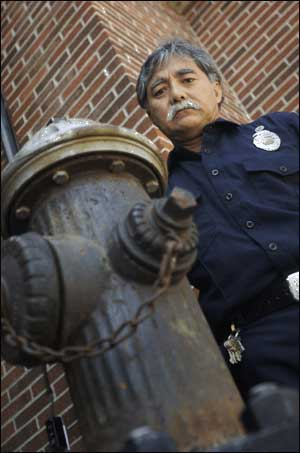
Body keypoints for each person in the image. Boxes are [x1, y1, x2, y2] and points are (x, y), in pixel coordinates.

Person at [136, 38, 299, 401]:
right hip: (262, 349)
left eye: (187, 79)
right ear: (152, 116)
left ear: (217, 87)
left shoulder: (285, 131)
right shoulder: (160, 205)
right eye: (160, 91)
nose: (176, 95)